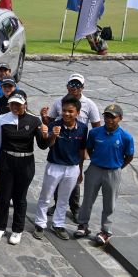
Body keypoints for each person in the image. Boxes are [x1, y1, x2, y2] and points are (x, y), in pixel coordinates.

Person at [41, 73, 101, 222]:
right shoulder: (59, 102)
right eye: (72, 84)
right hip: (60, 142)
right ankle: (56, 205)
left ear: (83, 87)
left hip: (77, 143)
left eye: (78, 85)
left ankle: (74, 208)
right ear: (67, 86)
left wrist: (90, 147)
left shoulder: (89, 104)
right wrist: (44, 117)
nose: (75, 88)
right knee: (57, 177)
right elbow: (51, 122)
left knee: (74, 179)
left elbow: (96, 126)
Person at [0, 92, 48, 245]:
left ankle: (17, 230)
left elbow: (42, 145)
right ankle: (0, 227)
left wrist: (48, 135)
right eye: (12, 104)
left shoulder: (34, 120)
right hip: (6, 161)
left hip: (25, 162)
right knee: (3, 196)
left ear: (25, 104)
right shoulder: (2, 119)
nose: (15, 107)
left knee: (20, 198)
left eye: (18, 104)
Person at [75, 104, 134, 245]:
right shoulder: (95, 133)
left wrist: (118, 166)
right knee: (87, 199)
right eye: (107, 116)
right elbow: (89, 148)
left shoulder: (126, 137)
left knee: (109, 203)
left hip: (113, 172)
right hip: (95, 169)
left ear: (120, 118)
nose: (109, 120)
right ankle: (83, 225)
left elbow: (129, 156)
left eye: (113, 117)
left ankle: (106, 231)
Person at [33, 95, 87, 241]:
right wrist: (53, 135)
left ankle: (58, 224)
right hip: (55, 166)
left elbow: (82, 152)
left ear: (78, 113)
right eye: (64, 110)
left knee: (64, 199)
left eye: (70, 111)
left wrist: (80, 171)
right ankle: (40, 223)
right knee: (46, 196)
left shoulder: (82, 128)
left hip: (72, 168)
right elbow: (47, 145)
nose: (66, 114)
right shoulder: (54, 125)